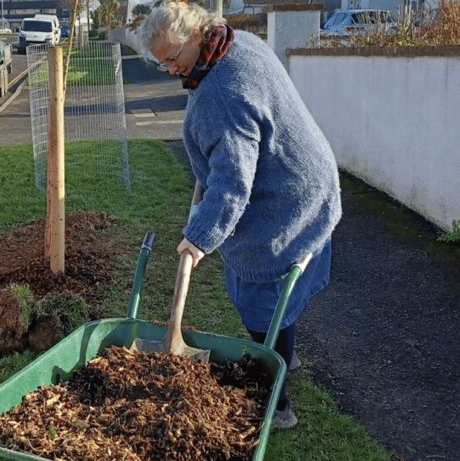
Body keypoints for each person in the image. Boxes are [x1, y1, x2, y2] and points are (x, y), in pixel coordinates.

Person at [139, 0, 342, 429]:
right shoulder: (234, 40)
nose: (171, 70)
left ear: (196, 34)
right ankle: (284, 352)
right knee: (283, 292)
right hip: (303, 174)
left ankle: (278, 405)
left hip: (285, 199)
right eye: (162, 64)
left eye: (173, 58)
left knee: (262, 295)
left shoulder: (222, 97)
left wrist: (199, 238)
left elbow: (232, 186)